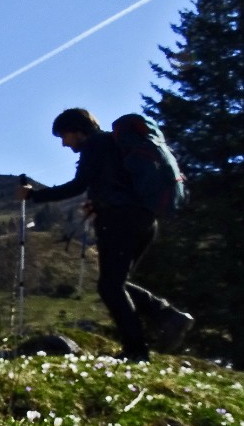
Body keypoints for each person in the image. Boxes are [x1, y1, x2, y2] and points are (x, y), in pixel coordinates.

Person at [17, 108, 193, 362]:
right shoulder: (114, 145)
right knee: (115, 284)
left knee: (110, 287)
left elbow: (78, 185)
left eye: (64, 136)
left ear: (77, 130)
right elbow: (116, 184)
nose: (65, 144)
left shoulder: (95, 145)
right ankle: (168, 317)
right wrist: (99, 203)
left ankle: (138, 349)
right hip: (144, 220)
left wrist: (34, 195)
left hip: (120, 222)